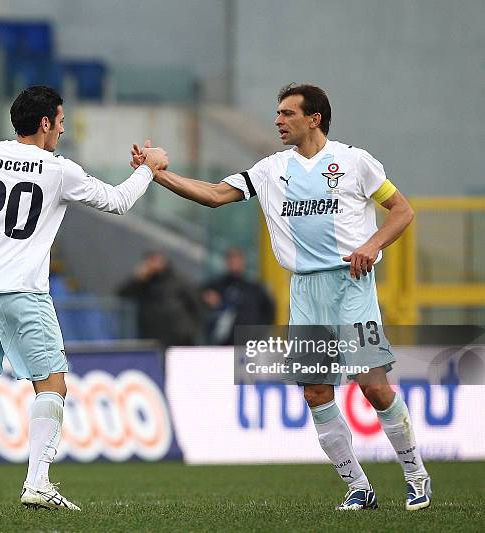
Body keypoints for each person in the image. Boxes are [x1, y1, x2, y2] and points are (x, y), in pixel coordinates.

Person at [131, 84, 431, 511]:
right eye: (277, 113)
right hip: (305, 290)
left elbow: (402, 210)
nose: (278, 120)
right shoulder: (272, 169)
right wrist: (157, 175)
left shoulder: (354, 162)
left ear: (315, 119)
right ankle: (359, 487)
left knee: (373, 387)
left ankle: (416, 474)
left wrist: (373, 245)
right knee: (315, 393)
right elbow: (216, 195)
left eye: (288, 113)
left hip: (351, 285)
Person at [0, 85, 168, 512]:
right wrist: (151, 169)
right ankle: (37, 482)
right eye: (61, 123)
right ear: (45, 123)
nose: (62, 132)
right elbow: (118, 201)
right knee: (51, 383)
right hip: (22, 289)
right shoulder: (57, 169)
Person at [118, 251, 201, 346]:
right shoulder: (142, 282)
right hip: (151, 336)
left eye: (157, 260)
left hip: (178, 336)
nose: (155, 264)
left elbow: (196, 304)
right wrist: (137, 279)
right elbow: (122, 294)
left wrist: (191, 330)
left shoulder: (179, 280)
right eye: (151, 261)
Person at [202, 247, 275, 345]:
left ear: (243, 262)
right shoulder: (216, 287)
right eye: (231, 260)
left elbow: (269, 313)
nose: (234, 263)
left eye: (237, 260)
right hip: (222, 346)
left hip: (249, 344)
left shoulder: (255, 289)